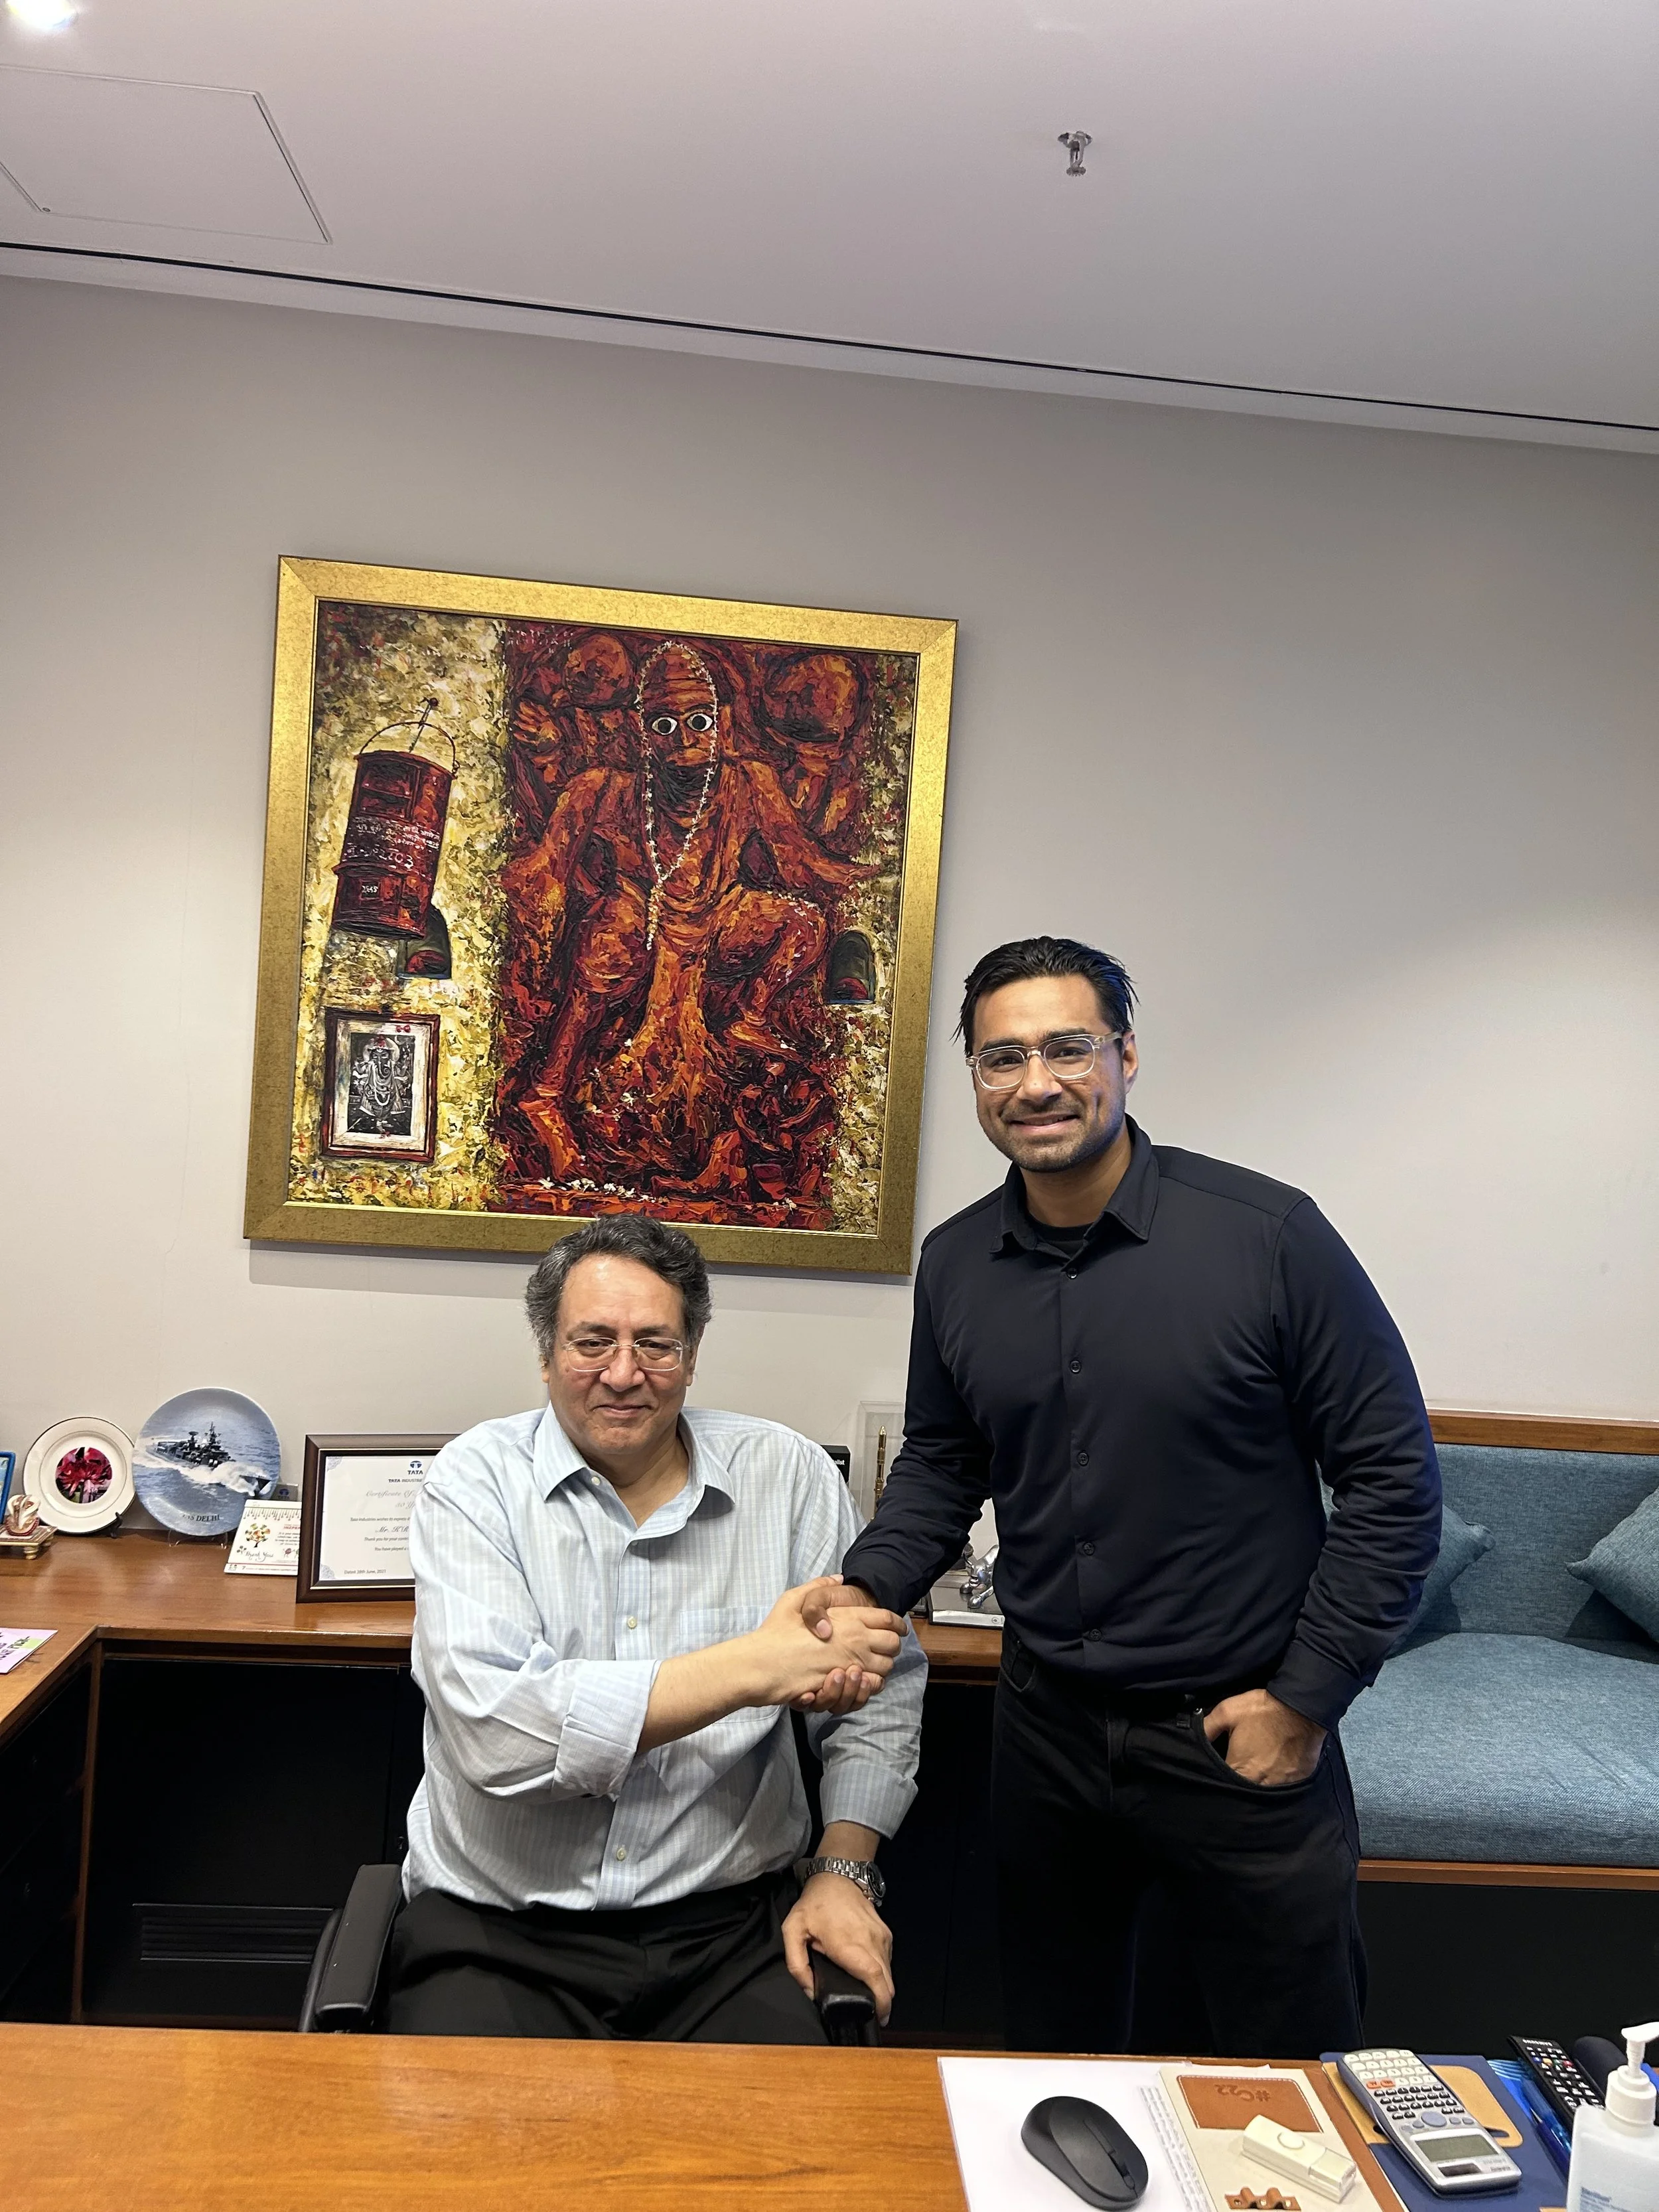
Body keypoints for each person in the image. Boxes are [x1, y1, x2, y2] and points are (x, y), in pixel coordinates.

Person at [825, 934, 1441, 2057]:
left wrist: (1304, 1699)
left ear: (1127, 1054)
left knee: (1278, 2068)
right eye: (1001, 1057)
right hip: (1046, 1727)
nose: (1038, 1082)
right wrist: (870, 1587)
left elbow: (1395, 1478)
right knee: (1059, 2048)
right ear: (972, 1076)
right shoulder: (958, 1262)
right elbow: (945, 1455)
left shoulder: (1269, 1237)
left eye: (1069, 1046)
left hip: (1238, 1728)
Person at [390, 1213, 925, 2041]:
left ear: (693, 1353)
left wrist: (843, 1868)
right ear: (545, 1354)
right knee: (478, 2162)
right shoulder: (475, 1482)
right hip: (499, 1931)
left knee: (786, 2160)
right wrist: (754, 1666)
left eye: (656, 1344)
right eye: (591, 1342)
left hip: (730, 1933)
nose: (623, 1374)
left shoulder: (787, 1477)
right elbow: (501, 1736)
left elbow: (882, 1687)